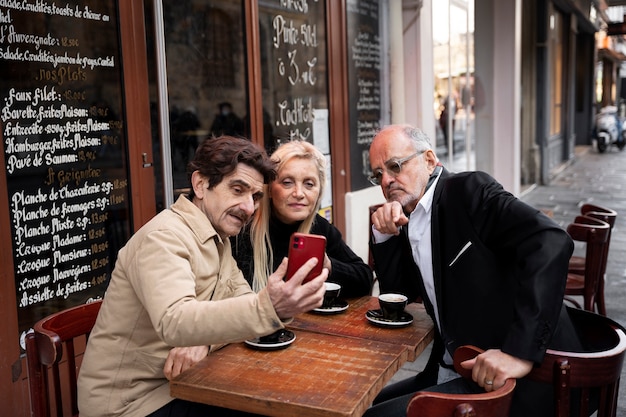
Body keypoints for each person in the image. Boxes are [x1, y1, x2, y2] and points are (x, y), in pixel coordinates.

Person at [77, 136, 327, 417]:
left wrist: (205, 341)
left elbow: (242, 300)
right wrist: (269, 306)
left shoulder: (217, 235)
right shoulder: (165, 237)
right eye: (237, 189)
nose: (248, 207)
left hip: (182, 385)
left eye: (255, 197)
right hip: (132, 405)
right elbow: (175, 320)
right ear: (200, 184)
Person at [364, 124, 582, 417]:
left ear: (429, 160)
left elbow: (551, 241)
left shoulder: (468, 191)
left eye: (394, 166)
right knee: (370, 405)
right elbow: (401, 296)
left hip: (509, 380)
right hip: (452, 365)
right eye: (378, 174)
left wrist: (519, 354)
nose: (387, 180)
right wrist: (383, 235)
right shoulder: (408, 214)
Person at [232, 140, 373, 297]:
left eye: (309, 184)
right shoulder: (242, 230)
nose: (299, 193)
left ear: (319, 192)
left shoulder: (319, 227)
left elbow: (365, 279)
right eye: (287, 182)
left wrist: (328, 265)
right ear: (270, 189)